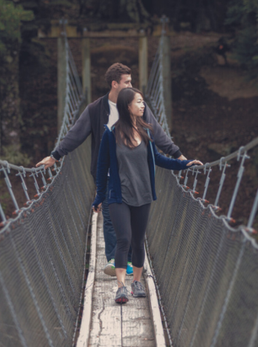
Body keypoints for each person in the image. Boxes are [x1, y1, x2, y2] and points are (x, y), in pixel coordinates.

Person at [36, 62, 187, 276]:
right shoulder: (96, 109)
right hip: (108, 174)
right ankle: (115, 259)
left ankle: (129, 261)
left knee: (134, 224)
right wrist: (55, 155)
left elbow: (158, 134)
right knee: (109, 216)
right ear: (115, 84)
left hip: (136, 175)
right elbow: (76, 134)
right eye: (127, 82)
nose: (131, 85)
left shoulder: (138, 106)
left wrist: (179, 155)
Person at [92, 87, 202, 304]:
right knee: (124, 239)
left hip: (143, 195)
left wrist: (183, 164)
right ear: (127, 106)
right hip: (118, 196)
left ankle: (137, 282)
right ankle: (121, 287)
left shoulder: (146, 132)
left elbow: (159, 159)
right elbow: (101, 167)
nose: (143, 106)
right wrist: (99, 197)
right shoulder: (110, 134)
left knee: (138, 240)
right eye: (139, 102)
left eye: (143, 102)